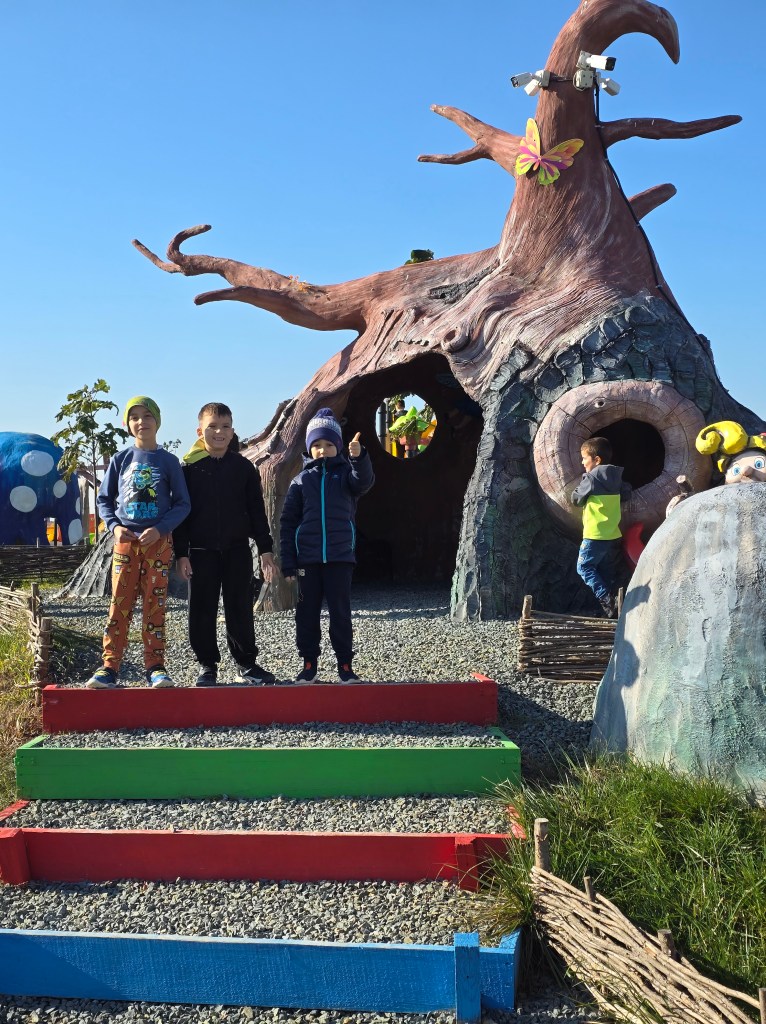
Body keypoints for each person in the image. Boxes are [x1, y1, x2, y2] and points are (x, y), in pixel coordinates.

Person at [86, 396, 191, 689]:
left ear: (157, 421)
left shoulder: (169, 462)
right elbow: (104, 500)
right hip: (126, 543)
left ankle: (155, 666)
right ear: (127, 424)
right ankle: (109, 667)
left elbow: (183, 504)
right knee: (119, 604)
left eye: (147, 415)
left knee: (154, 605)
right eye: (134, 417)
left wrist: (160, 529)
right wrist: (115, 527)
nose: (141, 422)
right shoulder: (120, 460)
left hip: (158, 544)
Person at [173, 402, 279, 686]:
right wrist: (181, 553)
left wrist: (265, 549)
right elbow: (181, 515)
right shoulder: (188, 469)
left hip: (237, 550)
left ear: (232, 432)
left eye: (225, 426)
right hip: (200, 552)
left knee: (239, 607)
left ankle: (246, 663)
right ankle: (207, 665)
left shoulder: (244, 468)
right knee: (201, 609)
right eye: (212, 427)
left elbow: (257, 511)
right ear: (200, 431)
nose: (219, 432)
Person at [280, 407, 375, 683]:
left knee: (340, 613)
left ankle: (345, 665)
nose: (323, 450)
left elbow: (364, 482)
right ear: (309, 448)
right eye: (317, 445)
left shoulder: (347, 475)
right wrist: (288, 562)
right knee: (306, 614)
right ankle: (309, 664)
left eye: (329, 444)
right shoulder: (300, 481)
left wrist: (359, 458)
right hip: (307, 561)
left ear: (339, 447)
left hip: (339, 558)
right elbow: (288, 523)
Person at [570, 436, 631, 618]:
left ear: (597, 460)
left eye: (584, 458)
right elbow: (627, 493)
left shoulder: (591, 478)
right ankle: (614, 609)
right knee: (605, 571)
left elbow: (576, 499)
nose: (582, 462)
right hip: (612, 534)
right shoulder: (617, 477)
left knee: (584, 567)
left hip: (595, 534)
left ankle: (606, 599)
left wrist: (581, 486)